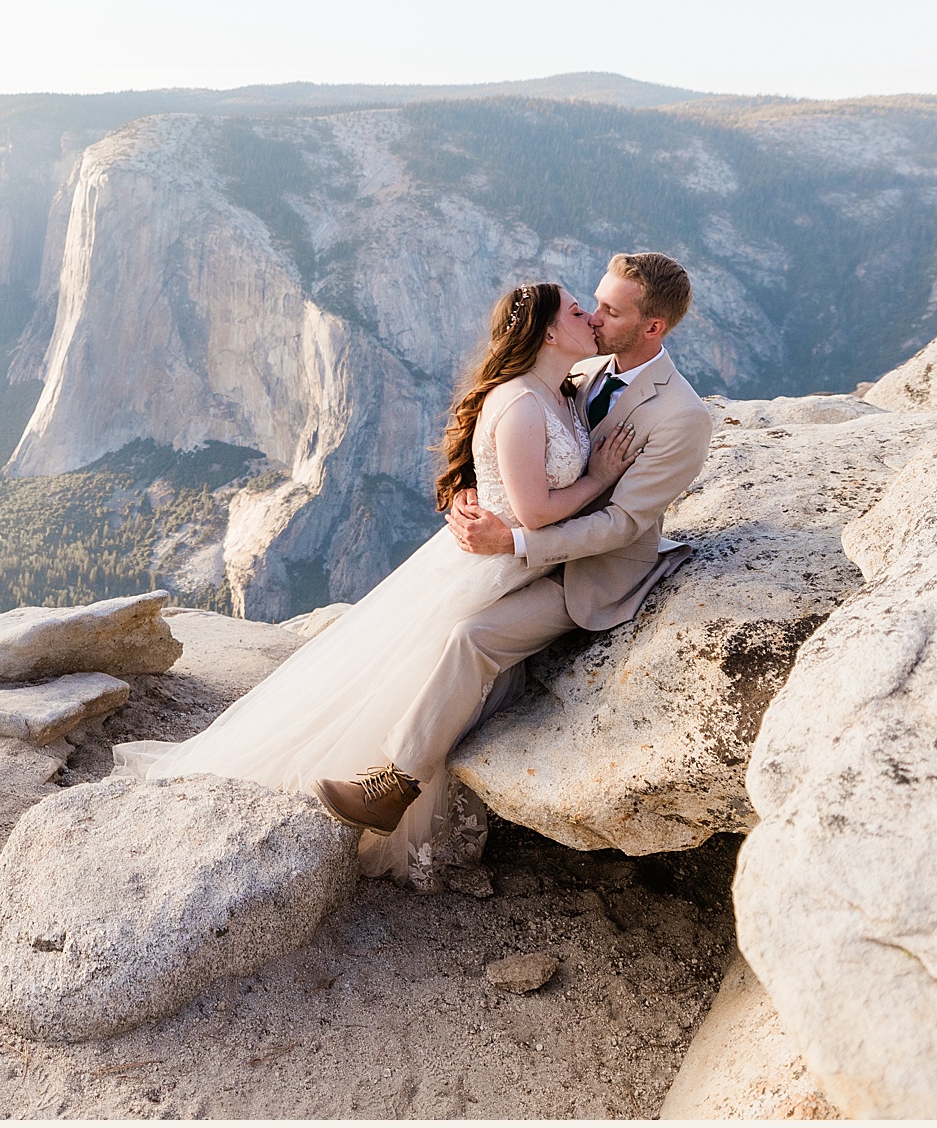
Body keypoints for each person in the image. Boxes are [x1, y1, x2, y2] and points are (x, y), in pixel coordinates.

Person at [116, 252, 713, 889]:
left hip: (589, 574)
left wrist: (514, 538)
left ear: (653, 328)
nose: (593, 317)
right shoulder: (584, 365)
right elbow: (518, 441)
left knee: (469, 638)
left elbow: (620, 525)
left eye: (610, 310)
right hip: (521, 549)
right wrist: (475, 493)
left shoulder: (680, 415)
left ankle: (395, 784)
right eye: (591, 302)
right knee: (421, 632)